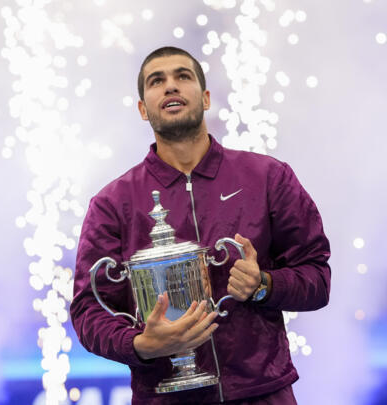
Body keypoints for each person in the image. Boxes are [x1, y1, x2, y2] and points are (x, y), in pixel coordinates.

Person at [70, 46, 331, 404]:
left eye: (183, 76)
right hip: (163, 395)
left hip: (261, 393)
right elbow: (89, 310)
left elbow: (317, 276)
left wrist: (264, 284)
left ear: (205, 98)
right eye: (156, 81)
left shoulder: (268, 177)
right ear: (143, 109)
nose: (170, 87)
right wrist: (140, 344)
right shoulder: (113, 203)